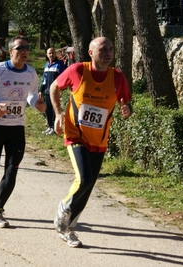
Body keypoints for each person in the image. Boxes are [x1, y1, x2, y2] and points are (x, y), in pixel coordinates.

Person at [50, 37, 132, 248]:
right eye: (103, 49)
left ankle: (69, 228)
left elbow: (126, 103)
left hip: (99, 139)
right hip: (75, 134)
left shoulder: (118, 77)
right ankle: (64, 208)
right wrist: (58, 114)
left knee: (88, 186)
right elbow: (53, 87)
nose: (108, 53)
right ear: (90, 52)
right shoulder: (78, 70)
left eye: (111, 49)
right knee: (84, 178)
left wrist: (127, 110)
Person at [0, 35, 46, 228]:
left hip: (17, 127)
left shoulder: (30, 72)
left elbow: (31, 95)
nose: (24, 51)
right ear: (11, 51)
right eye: (20, 48)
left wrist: (36, 104)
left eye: (27, 48)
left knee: (12, 170)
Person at [39, 47, 65, 136]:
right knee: (48, 110)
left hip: (55, 92)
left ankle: (54, 128)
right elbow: (44, 79)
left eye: (53, 53)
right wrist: (40, 90)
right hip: (46, 91)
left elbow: (62, 77)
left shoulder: (59, 64)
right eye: (49, 53)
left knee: (54, 110)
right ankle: (50, 127)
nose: (51, 55)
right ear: (47, 55)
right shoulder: (46, 65)